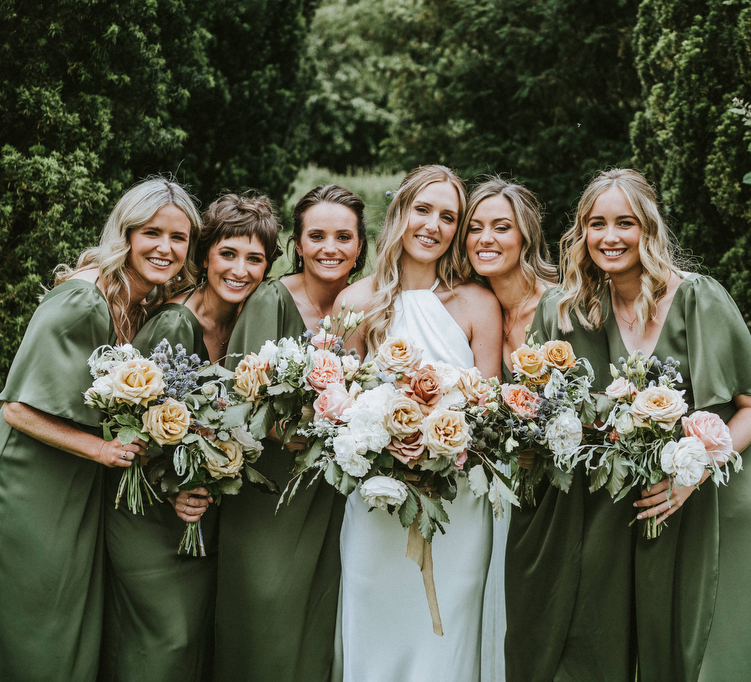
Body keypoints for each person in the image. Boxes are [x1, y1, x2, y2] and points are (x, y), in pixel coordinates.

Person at [0, 177, 197, 681]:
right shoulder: (83, 300)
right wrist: (101, 449)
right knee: (25, 627)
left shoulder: (141, 302)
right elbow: (17, 408)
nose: (166, 248)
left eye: (179, 238)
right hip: (22, 483)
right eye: (153, 232)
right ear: (126, 234)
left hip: (74, 481)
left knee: (64, 624)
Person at [557, 168, 751, 682]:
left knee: (721, 647)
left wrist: (695, 472)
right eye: (597, 223)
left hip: (728, 491)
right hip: (660, 499)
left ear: (649, 230)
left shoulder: (701, 298)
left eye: (625, 223)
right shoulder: (591, 310)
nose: (610, 237)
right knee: (664, 641)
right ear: (582, 232)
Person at [99, 192, 280, 682]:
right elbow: (132, 421)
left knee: (193, 640)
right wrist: (174, 486)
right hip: (145, 509)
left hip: (197, 509)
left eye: (255, 259)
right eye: (228, 254)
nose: (240, 270)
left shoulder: (247, 325)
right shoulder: (176, 322)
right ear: (204, 257)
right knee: (169, 636)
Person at [334, 165, 503, 682]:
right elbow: (337, 405)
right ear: (400, 213)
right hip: (378, 498)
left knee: (448, 634)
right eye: (423, 210)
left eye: (448, 217)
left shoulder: (477, 303)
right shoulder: (356, 302)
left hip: (456, 502)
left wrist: (439, 443)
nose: (433, 225)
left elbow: (487, 410)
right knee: (374, 624)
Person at [459, 177, 624, 682]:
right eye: (475, 228)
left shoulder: (569, 305)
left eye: (501, 227)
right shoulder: (472, 308)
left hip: (576, 496)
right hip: (510, 495)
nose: (486, 238)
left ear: (525, 237)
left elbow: (603, 404)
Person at [213, 185, 368, 682]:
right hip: (272, 491)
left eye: (344, 237)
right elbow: (243, 398)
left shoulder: (359, 309)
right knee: (267, 610)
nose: (331, 248)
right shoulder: (269, 299)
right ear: (298, 245)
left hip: (336, 493)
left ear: (360, 246)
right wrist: (292, 432)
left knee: (320, 619)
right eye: (317, 235)